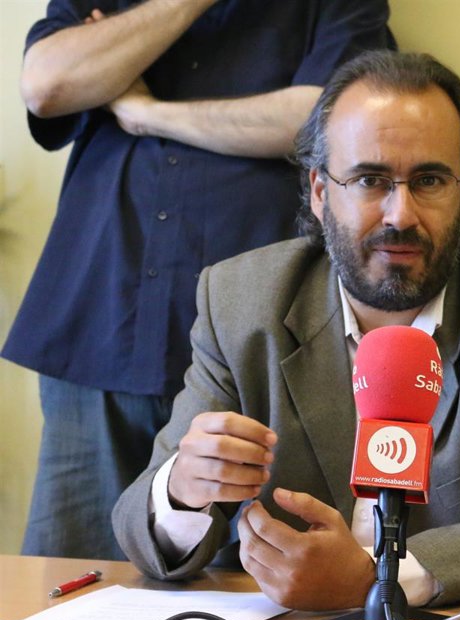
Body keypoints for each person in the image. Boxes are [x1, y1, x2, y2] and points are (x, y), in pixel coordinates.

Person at [112, 51, 460, 612]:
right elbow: (142, 533)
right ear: (320, 191)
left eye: (430, 180)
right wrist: (183, 490)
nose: (400, 215)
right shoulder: (241, 303)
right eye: (369, 179)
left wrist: (377, 582)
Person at [5, 0, 393, 561]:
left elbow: (323, 125)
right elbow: (46, 84)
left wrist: (145, 113)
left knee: (251, 579)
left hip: (258, 343)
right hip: (100, 326)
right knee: (72, 576)